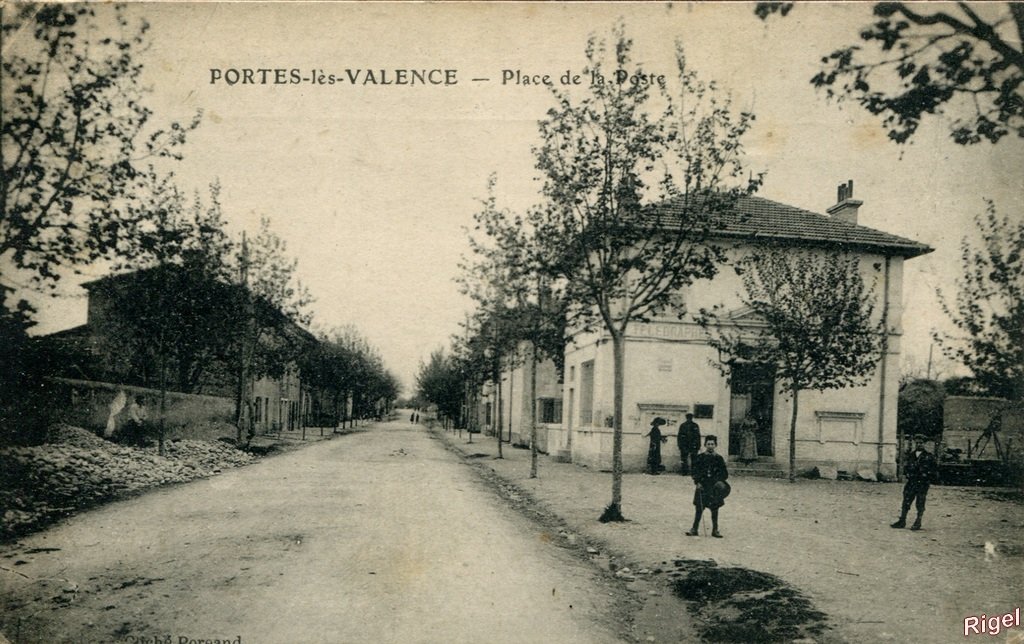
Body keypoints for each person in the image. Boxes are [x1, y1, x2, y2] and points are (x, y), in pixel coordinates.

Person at [891, 434, 937, 531]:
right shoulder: (911, 455)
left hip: (922, 484)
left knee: (920, 502)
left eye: (921, 443)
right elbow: (906, 467)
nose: (919, 444)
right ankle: (902, 520)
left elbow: (934, 470)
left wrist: (926, 476)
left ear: (925, 444)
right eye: (917, 443)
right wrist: (907, 473)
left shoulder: (929, 457)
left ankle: (918, 521)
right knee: (906, 501)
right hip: (911, 482)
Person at [686, 435, 730, 538]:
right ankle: (694, 529)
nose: (710, 446)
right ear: (705, 445)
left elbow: (724, 474)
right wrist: (698, 482)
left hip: (714, 487)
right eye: (708, 444)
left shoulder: (719, 458)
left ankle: (715, 530)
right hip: (702, 486)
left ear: (715, 445)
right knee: (699, 508)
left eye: (712, 444)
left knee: (715, 509)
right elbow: (695, 471)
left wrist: (719, 481)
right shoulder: (700, 457)